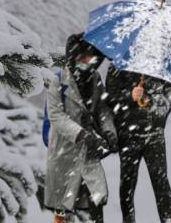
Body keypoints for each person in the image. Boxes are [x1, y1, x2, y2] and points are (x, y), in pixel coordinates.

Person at [44, 33, 117, 223]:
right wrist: (82, 134)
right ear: (73, 56)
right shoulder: (58, 80)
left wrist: (109, 131)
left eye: (92, 58)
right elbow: (56, 116)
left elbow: (102, 110)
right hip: (65, 153)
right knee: (64, 212)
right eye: (84, 57)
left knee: (95, 205)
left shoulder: (95, 79)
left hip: (89, 153)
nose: (88, 61)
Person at [105, 67, 171, 223]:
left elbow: (169, 93)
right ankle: (128, 220)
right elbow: (110, 98)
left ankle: (169, 220)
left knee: (161, 184)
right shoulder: (118, 63)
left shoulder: (159, 63)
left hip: (154, 135)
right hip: (128, 134)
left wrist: (154, 106)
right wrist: (129, 96)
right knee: (127, 184)